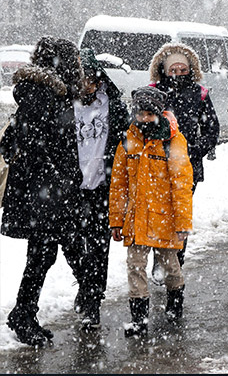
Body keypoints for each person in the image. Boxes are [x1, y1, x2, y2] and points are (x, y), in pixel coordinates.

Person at [1, 37, 84, 346]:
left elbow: (16, 140)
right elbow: (29, 143)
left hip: (46, 193)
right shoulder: (42, 93)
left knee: (46, 253)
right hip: (43, 194)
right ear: (61, 62)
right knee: (46, 253)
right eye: (72, 60)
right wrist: (57, 179)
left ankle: (26, 313)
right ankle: (24, 315)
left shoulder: (49, 92)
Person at [110, 87, 193, 337]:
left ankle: (175, 301)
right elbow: (119, 184)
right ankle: (138, 319)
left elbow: (182, 185)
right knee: (135, 266)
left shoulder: (173, 141)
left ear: (158, 113)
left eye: (149, 113)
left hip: (164, 219)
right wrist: (116, 219)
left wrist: (182, 224)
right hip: (136, 220)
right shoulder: (128, 140)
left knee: (170, 266)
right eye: (140, 113)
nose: (144, 119)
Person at [148, 42, 219, 278]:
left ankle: (176, 261)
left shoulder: (199, 93)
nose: (178, 74)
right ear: (164, 69)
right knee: (159, 212)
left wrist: (196, 150)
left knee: (180, 213)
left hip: (187, 165)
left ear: (191, 69)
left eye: (183, 69)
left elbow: (211, 128)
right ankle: (159, 260)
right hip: (156, 163)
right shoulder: (153, 92)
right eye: (173, 70)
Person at [71, 49, 130, 328]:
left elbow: (125, 144)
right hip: (71, 189)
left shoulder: (113, 106)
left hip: (102, 188)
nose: (87, 87)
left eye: (92, 81)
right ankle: (85, 284)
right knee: (72, 245)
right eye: (82, 81)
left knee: (97, 247)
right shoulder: (64, 106)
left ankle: (92, 302)